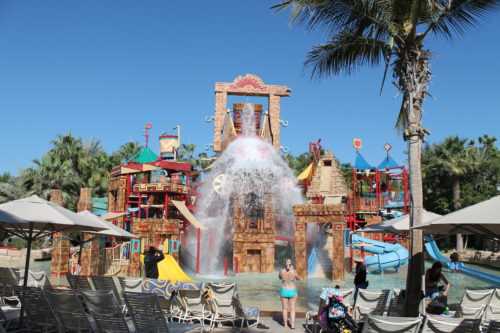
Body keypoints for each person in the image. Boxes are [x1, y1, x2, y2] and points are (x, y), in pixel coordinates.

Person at [279, 258, 300, 329]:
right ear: (291, 264)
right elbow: (298, 278)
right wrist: (293, 270)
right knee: (292, 309)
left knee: (284, 309)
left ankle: (285, 325)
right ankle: (292, 325)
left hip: (284, 290)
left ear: (285, 264)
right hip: (292, 291)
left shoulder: (281, 271)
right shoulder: (294, 271)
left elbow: (280, 277)